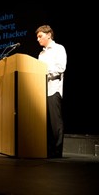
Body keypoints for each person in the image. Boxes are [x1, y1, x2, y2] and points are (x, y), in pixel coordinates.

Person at [35, 25, 67, 158]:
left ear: (49, 35)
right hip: (41, 91)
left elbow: (60, 67)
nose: (38, 39)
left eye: (40, 36)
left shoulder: (59, 48)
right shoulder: (41, 54)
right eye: (37, 37)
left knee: (55, 123)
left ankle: (57, 151)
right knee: (44, 123)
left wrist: (44, 71)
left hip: (53, 89)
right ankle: (46, 150)